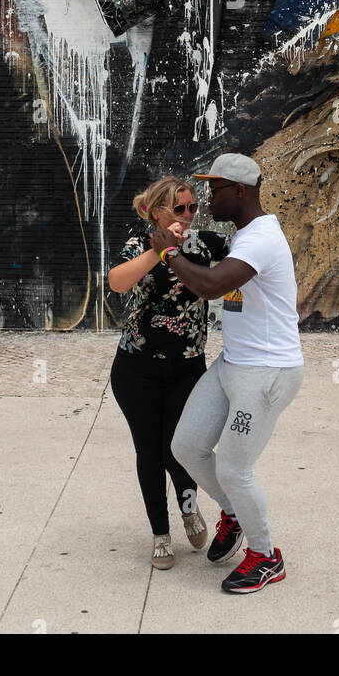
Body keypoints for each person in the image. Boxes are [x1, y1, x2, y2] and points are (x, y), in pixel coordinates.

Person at [147, 153, 304, 595]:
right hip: (233, 364)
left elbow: (213, 285)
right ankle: (233, 514)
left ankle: (266, 556)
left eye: (214, 190)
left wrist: (169, 251)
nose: (206, 198)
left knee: (235, 468)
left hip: (267, 373)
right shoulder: (244, 235)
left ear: (240, 191)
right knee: (186, 446)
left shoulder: (260, 239)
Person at [107, 175, 231, 569]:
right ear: (159, 212)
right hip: (136, 369)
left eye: (193, 207)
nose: (189, 215)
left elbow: (248, 252)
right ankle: (160, 533)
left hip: (187, 367)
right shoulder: (137, 245)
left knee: (179, 449)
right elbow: (116, 282)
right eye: (180, 208)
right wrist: (161, 251)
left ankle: (189, 509)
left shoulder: (206, 245)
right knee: (149, 452)